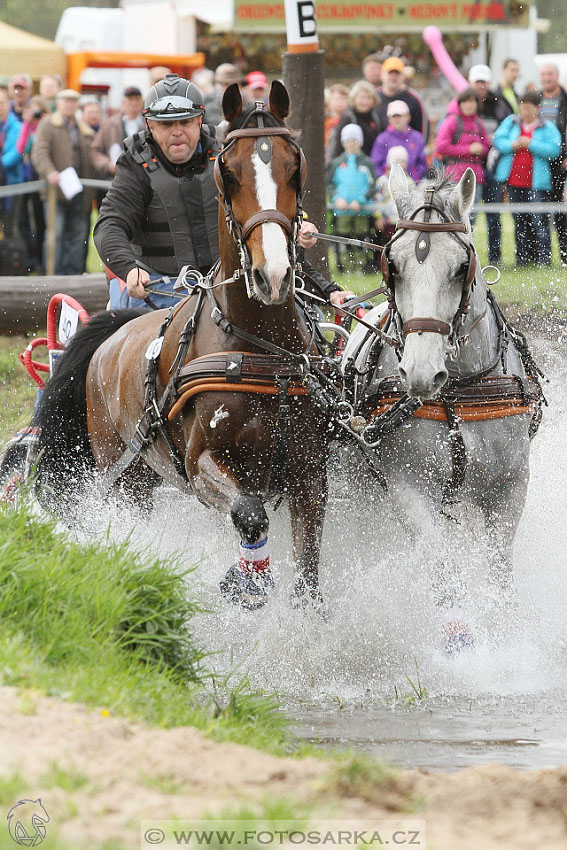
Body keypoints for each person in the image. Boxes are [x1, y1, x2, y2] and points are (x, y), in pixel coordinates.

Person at [493, 90, 561, 267]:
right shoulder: (511, 122)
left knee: (539, 221)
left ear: (537, 108)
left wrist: (531, 144)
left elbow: (555, 150)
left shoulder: (547, 127)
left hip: (537, 183)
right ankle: (522, 259)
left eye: (528, 109)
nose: (525, 112)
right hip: (514, 180)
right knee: (519, 221)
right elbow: (497, 140)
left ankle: (543, 259)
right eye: (522, 108)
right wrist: (512, 145)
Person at [31, 88, 95, 275]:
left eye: (73, 101)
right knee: (55, 235)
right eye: (65, 101)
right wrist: (50, 172)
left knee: (77, 236)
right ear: (58, 104)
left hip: (80, 192)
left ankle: (73, 275)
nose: (69, 104)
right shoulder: (47, 124)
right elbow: (39, 153)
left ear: (77, 105)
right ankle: (51, 275)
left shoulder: (83, 127)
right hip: (55, 192)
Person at [467, 64, 514, 265]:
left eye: (484, 81)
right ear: (471, 82)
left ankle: (495, 258)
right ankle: (468, 257)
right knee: (470, 216)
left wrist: (493, 142)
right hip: (470, 168)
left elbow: (510, 128)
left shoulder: (499, 103)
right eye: (477, 82)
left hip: (494, 167)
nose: (481, 86)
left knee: (494, 214)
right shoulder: (462, 103)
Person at [435, 87, 489, 225]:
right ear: (459, 104)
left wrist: (481, 149)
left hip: (476, 177)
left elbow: (486, 146)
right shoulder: (452, 121)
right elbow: (441, 146)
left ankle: (467, 246)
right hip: (455, 177)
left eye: (472, 102)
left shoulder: (479, 123)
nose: (469, 105)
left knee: (471, 219)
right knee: (451, 218)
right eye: (465, 102)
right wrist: (468, 149)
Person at [538, 63, 567, 265]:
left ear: (557, 76)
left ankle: (565, 254)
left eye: (550, 74)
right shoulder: (535, 98)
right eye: (543, 74)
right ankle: (539, 257)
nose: (547, 77)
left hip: (561, 162)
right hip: (539, 162)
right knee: (538, 210)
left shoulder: (564, 99)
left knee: (561, 212)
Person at [91, 87, 145, 180]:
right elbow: (95, 151)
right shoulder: (109, 124)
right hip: (116, 179)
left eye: (137, 99)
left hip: (144, 179)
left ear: (142, 102)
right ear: (123, 102)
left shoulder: (150, 124)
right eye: (130, 99)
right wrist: (108, 165)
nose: (134, 102)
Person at [370, 99, 427, 181]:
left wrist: (413, 179)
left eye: (399, 116)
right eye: (394, 116)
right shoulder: (382, 139)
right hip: (388, 185)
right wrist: (384, 180)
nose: (397, 119)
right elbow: (375, 164)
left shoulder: (417, 137)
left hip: (412, 185)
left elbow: (422, 162)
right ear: (389, 119)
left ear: (407, 117)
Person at [376, 56, 428, 142]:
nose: (393, 77)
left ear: (403, 76)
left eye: (397, 73)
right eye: (390, 73)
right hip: (378, 151)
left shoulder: (413, 99)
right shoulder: (373, 96)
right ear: (382, 75)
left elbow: (422, 130)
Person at [328, 81, 384, 161]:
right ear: (354, 98)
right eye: (361, 97)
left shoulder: (375, 117)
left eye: (368, 98)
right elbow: (337, 146)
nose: (365, 101)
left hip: (371, 163)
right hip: (349, 163)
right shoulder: (348, 117)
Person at [327, 123, 377, 211]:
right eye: (347, 141)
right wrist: (337, 199)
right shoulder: (337, 163)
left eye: (354, 140)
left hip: (363, 210)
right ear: (343, 143)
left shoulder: (367, 163)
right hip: (342, 210)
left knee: (362, 225)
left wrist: (361, 200)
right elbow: (330, 184)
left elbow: (373, 185)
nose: (351, 144)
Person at [0, 86, 24, 228]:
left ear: (9, 105)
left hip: (12, 183)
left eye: (1, 103)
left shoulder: (18, 127)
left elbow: (17, 153)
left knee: (10, 226)